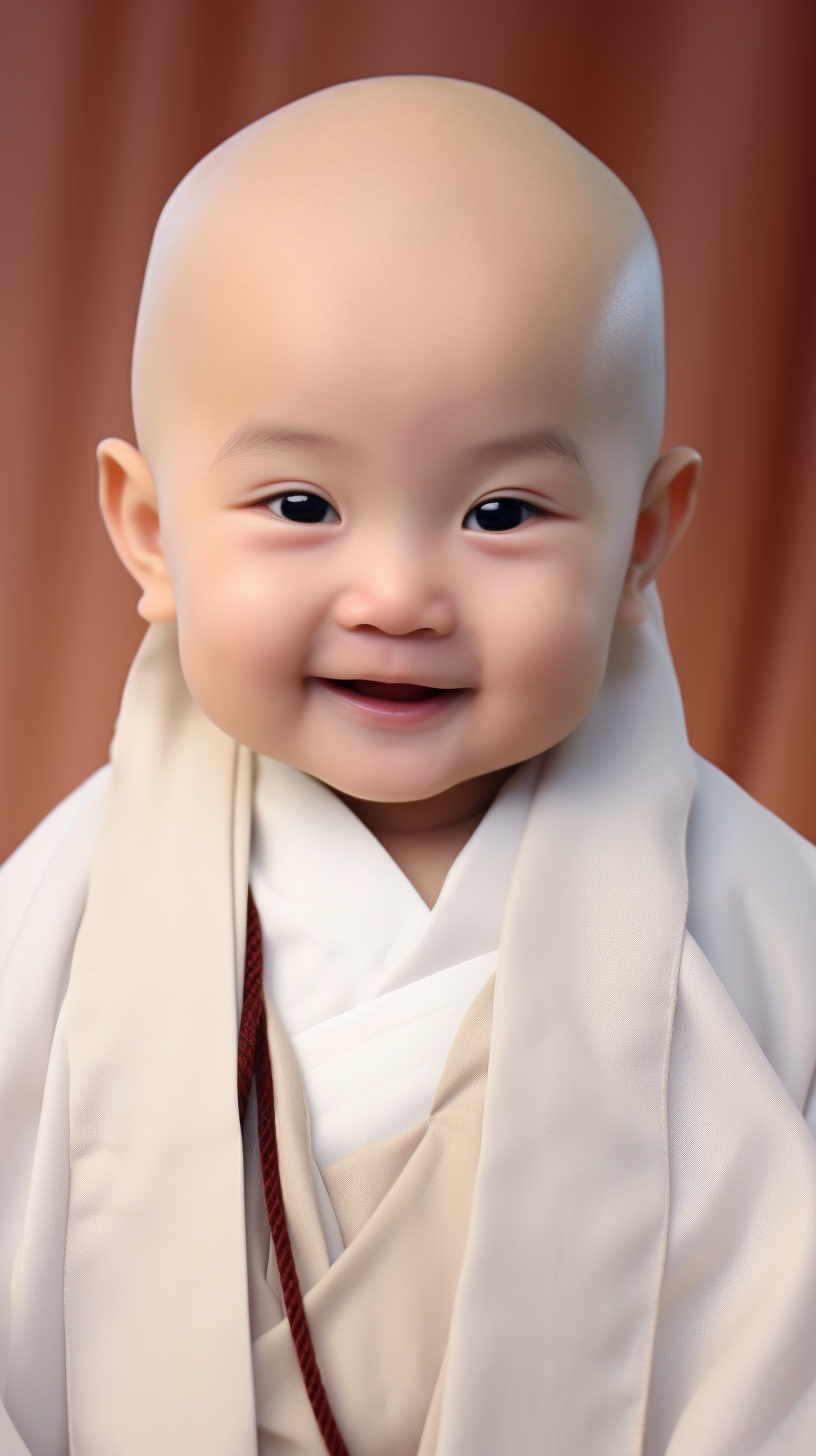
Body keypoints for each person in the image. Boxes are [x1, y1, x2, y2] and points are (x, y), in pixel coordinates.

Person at [1, 75, 815, 1456]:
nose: (397, 593)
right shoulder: (63, 911)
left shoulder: (761, 922)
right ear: (148, 534)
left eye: (500, 512)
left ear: (642, 538)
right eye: (300, 504)